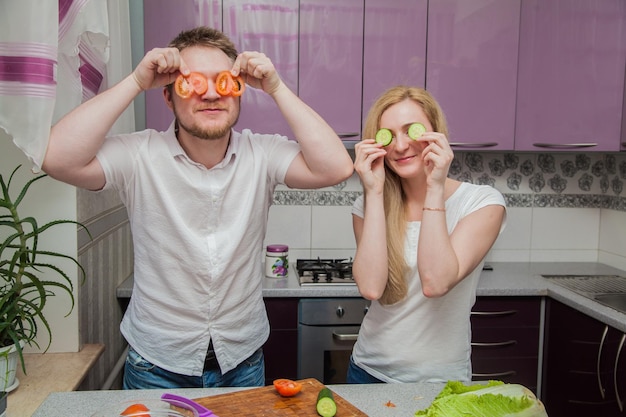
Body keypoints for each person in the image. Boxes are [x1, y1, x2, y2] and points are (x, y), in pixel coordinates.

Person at [42, 26, 353, 389]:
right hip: (155, 367)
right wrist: (134, 82)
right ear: (169, 96)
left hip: (241, 363)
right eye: (192, 82)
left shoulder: (262, 154)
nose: (209, 94)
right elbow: (56, 158)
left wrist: (277, 89)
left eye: (222, 82)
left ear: (238, 93)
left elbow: (336, 167)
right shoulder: (139, 155)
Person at [347, 86, 506, 384]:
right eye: (389, 135)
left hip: (439, 380)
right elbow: (371, 287)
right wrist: (373, 190)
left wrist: (435, 186)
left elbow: (436, 281)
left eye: (412, 131)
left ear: (436, 134)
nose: (401, 145)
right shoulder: (368, 204)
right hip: (367, 371)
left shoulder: (482, 202)